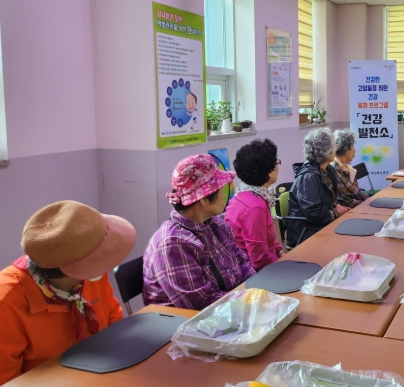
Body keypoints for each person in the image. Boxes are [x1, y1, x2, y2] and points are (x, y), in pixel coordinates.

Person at [0, 201, 136, 384]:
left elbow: (113, 319)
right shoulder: (6, 304)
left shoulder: (91, 275)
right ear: (80, 269)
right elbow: (7, 382)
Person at [143, 154, 255, 310]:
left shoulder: (217, 225)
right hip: (189, 320)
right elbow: (199, 304)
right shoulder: (173, 244)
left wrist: (256, 291)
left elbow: (243, 263)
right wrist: (249, 300)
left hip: (232, 307)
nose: (224, 194)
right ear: (203, 198)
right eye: (220, 189)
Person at [225, 139, 285, 271]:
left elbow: (266, 239)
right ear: (268, 171)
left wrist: (278, 250)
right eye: (276, 162)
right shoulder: (255, 207)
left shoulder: (246, 194)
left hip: (267, 264)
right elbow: (259, 260)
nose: (278, 166)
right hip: (255, 273)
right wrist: (285, 264)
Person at [287, 128, 349, 246]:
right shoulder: (308, 177)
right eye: (334, 145)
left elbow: (325, 200)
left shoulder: (327, 170)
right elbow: (313, 212)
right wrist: (335, 212)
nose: (336, 147)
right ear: (326, 151)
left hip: (320, 225)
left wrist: (336, 206)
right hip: (306, 231)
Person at [331, 129, 369, 208]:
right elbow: (346, 201)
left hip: (360, 207)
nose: (355, 150)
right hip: (352, 211)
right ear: (346, 149)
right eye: (352, 146)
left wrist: (369, 201)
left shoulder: (347, 168)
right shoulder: (334, 170)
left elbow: (358, 193)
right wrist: (368, 204)